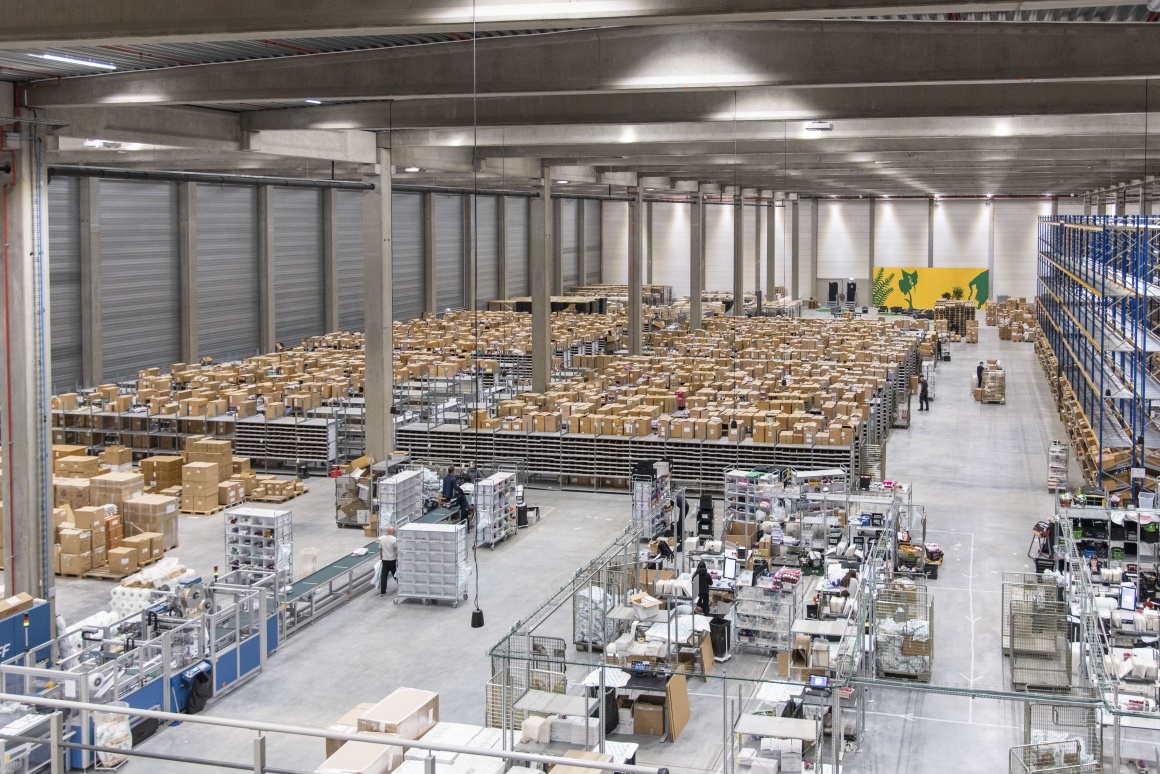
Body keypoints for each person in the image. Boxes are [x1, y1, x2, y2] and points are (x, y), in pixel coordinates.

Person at [378, 526, 398, 595]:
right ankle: (401, 586)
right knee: (395, 574)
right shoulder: (394, 539)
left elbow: (380, 549)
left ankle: (383, 591)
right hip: (393, 560)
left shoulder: (381, 538)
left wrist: (380, 557)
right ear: (393, 532)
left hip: (385, 560)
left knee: (384, 576)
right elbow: (396, 550)